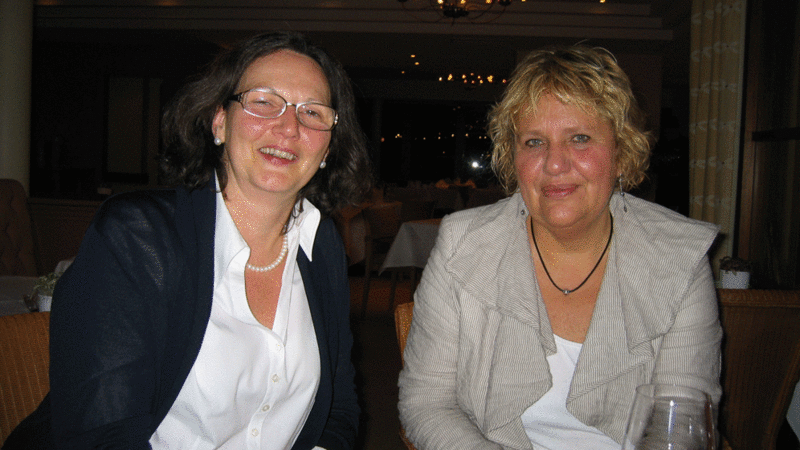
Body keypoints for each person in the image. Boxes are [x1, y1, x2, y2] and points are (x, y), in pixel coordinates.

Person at [6, 31, 371, 450]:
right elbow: (101, 434)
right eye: (263, 102)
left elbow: (337, 407)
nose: (289, 127)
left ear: (328, 147)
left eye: (312, 112)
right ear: (220, 122)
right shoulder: (136, 236)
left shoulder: (322, 244)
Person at [398, 45, 722, 450]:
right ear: (513, 157)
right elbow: (427, 402)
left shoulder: (679, 258)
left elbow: (679, 425)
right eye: (534, 142)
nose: (554, 164)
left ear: (621, 153)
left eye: (580, 138)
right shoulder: (461, 244)